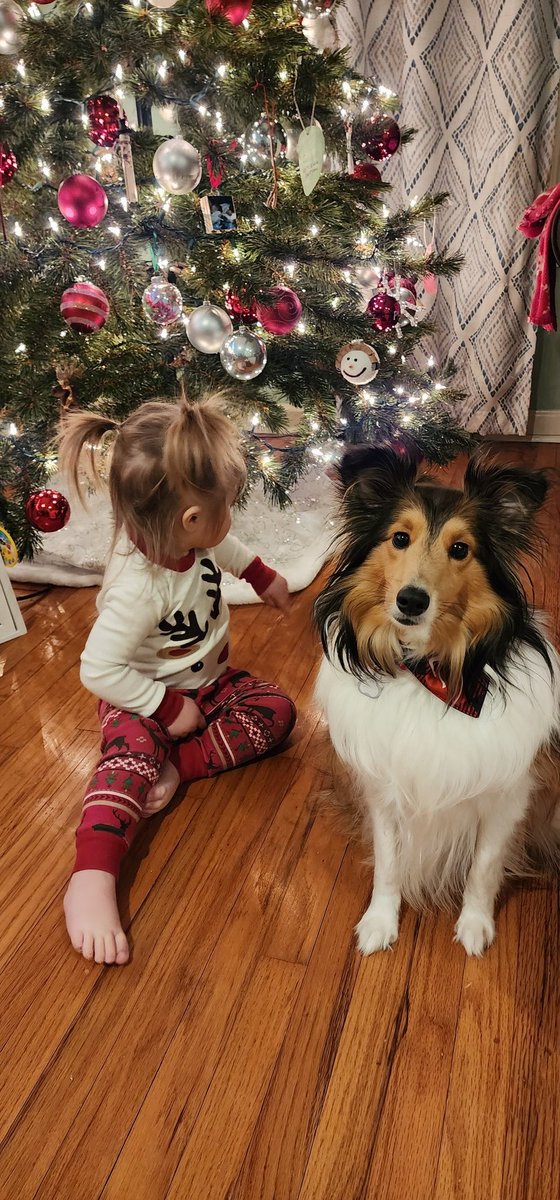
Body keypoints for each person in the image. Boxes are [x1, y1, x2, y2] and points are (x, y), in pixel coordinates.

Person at [59, 396, 295, 966]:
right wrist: (162, 708)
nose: (230, 518)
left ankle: (177, 766)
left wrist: (259, 574)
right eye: (228, 507)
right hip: (138, 700)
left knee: (277, 710)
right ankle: (91, 875)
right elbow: (98, 669)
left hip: (209, 685)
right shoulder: (139, 589)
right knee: (127, 754)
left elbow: (224, 544)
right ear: (190, 520)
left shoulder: (190, 537)